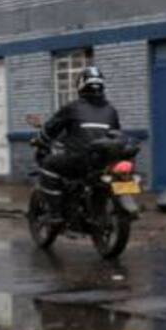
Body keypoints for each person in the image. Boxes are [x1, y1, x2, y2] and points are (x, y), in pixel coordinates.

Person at [38, 66, 121, 219]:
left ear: (81, 86)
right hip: (104, 163)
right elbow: (116, 132)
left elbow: (50, 129)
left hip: (79, 160)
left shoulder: (72, 107)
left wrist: (41, 141)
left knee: (48, 165)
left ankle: (55, 214)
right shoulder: (111, 110)